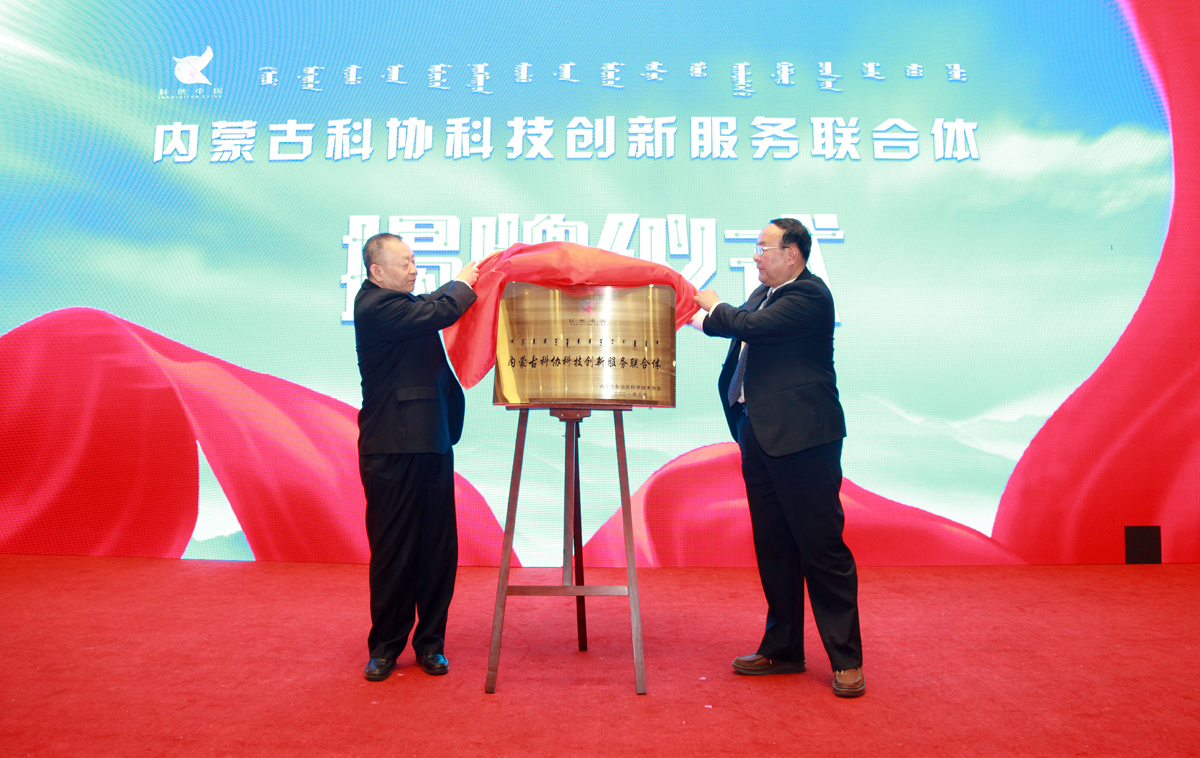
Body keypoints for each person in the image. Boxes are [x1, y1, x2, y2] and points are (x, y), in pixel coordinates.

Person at [692, 218, 865, 698]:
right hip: (759, 434)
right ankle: (783, 648)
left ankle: (846, 660)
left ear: (792, 253)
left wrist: (713, 304)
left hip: (804, 439)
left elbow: (746, 326)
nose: (755, 256)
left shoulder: (809, 295)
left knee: (821, 548)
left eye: (763, 247)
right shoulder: (764, 294)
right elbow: (725, 327)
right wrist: (688, 311)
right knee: (774, 545)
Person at [354, 232, 480, 682]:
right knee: (394, 550)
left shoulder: (402, 304)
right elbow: (438, 310)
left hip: (432, 441)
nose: (414, 269)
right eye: (405, 262)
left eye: (414, 260)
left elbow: (428, 303)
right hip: (391, 449)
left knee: (436, 549)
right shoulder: (374, 307)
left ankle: (430, 643)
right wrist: (463, 283)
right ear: (377, 271)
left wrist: (464, 285)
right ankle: (385, 647)